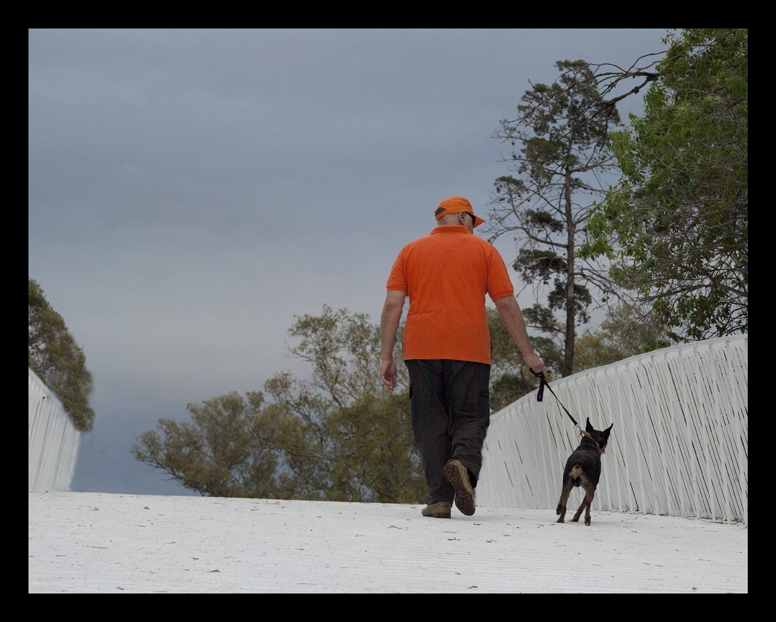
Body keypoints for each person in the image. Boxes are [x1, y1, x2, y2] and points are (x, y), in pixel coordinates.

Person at [380, 196, 544, 518]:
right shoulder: (484, 251)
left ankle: (439, 500)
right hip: (469, 349)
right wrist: (528, 354)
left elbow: (392, 305)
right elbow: (506, 304)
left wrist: (387, 356)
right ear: (463, 217)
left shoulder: (410, 251)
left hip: (421, 349)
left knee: (430, 422)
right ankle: (463, 464)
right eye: (473, 221)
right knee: (470, 416)